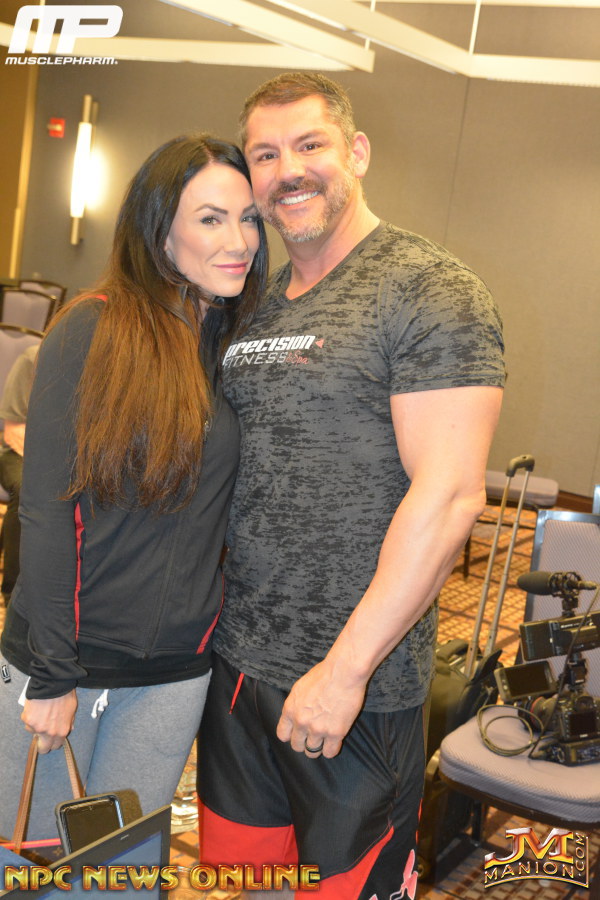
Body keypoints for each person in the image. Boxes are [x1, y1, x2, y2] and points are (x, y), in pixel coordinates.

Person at [197, 73, 505, 900]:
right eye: (266, 155)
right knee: (243, 884)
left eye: (310, 145)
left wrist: (344, 672)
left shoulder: (428, 288)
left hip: (356, 691)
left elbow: (449, 495)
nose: (288, 170)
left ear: (356, 153)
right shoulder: (255, 305)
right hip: (239, 671)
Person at [0, 134, 267, 842]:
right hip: (69, 663)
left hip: (175, 671)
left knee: (124, 869)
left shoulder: (228, 346)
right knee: (32, 866)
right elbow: (47, 509)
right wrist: (52, 674)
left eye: (248, 218)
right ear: (159, 229)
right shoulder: (92, 328)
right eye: (210, 218)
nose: (239, 240)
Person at [0, 345, 38, 605]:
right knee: (27, 489)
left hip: (60, 459)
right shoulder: (32, 359)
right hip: (17, 452)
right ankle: (11, 592)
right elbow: (13, 432)